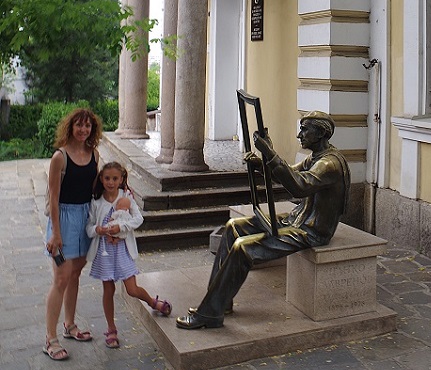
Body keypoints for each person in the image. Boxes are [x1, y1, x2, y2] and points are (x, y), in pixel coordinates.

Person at [176, 111, 350, 330]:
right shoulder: (316, 157)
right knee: (232, 228)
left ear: (322, 132)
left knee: (244, 248)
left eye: (305, 129)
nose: (299, 135)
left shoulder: (329, 165)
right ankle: (219, 301)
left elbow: (298, 185)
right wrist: (261, 162)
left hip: (312, 231)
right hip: (299, 220)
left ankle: (210, 314)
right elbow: (288, 173)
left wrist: (270, 152)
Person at [86, 161, 172, 348]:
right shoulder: (96, 202)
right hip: (105, 252)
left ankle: (152, 302)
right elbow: (89, 228)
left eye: (115, 178)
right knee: (108, 290)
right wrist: (98, 230)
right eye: (107, 178)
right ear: (101, 179)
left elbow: (138, 219)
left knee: (132, 289)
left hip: (122, 250)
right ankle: (111, 329)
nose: (110, 182)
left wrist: (121, 227)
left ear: (121, 179)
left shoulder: (126, 198)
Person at [44, 107, 101, 361]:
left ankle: (69, 325)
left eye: (87, 126)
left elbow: (96, 191)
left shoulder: (94, 155)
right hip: (64, 220)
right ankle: (50, 339)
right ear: (70, 127)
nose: (83, 129)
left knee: (75, 274)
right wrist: (56, 234)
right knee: (60, 279)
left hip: (85, 217)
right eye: (79, 125)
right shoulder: (60, 157)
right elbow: (53, 199)